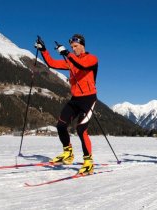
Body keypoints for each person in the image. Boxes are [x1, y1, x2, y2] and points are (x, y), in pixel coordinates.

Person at [35, 34, 98, 175]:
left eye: (76, 46)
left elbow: (82, 64)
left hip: (88, 99)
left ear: (82, 45)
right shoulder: (71, 61)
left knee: (81, 129)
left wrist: (67, 53)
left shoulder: (92, 59)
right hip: (75, 99)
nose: (74, 49)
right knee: (61, 125)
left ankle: (88, 162)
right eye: (72, 47)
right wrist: (43, 50)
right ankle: (68, 153)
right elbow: (52, 63)